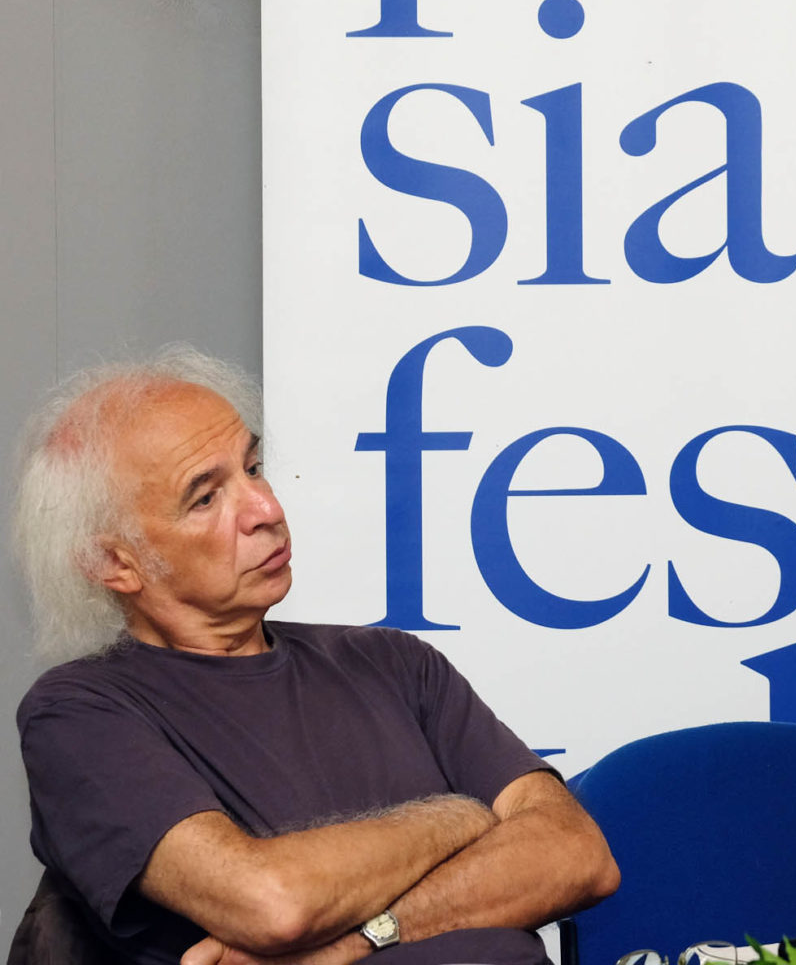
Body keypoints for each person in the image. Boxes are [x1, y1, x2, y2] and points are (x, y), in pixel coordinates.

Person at [10, 348, 619, 965]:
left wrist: (354, 939)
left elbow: (576, 855)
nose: (267, 510)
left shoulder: (393, 662)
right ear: (114, 563)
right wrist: (459, 818)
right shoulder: (78, 714)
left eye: (253, 467)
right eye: (205, 498)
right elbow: (271, 903)